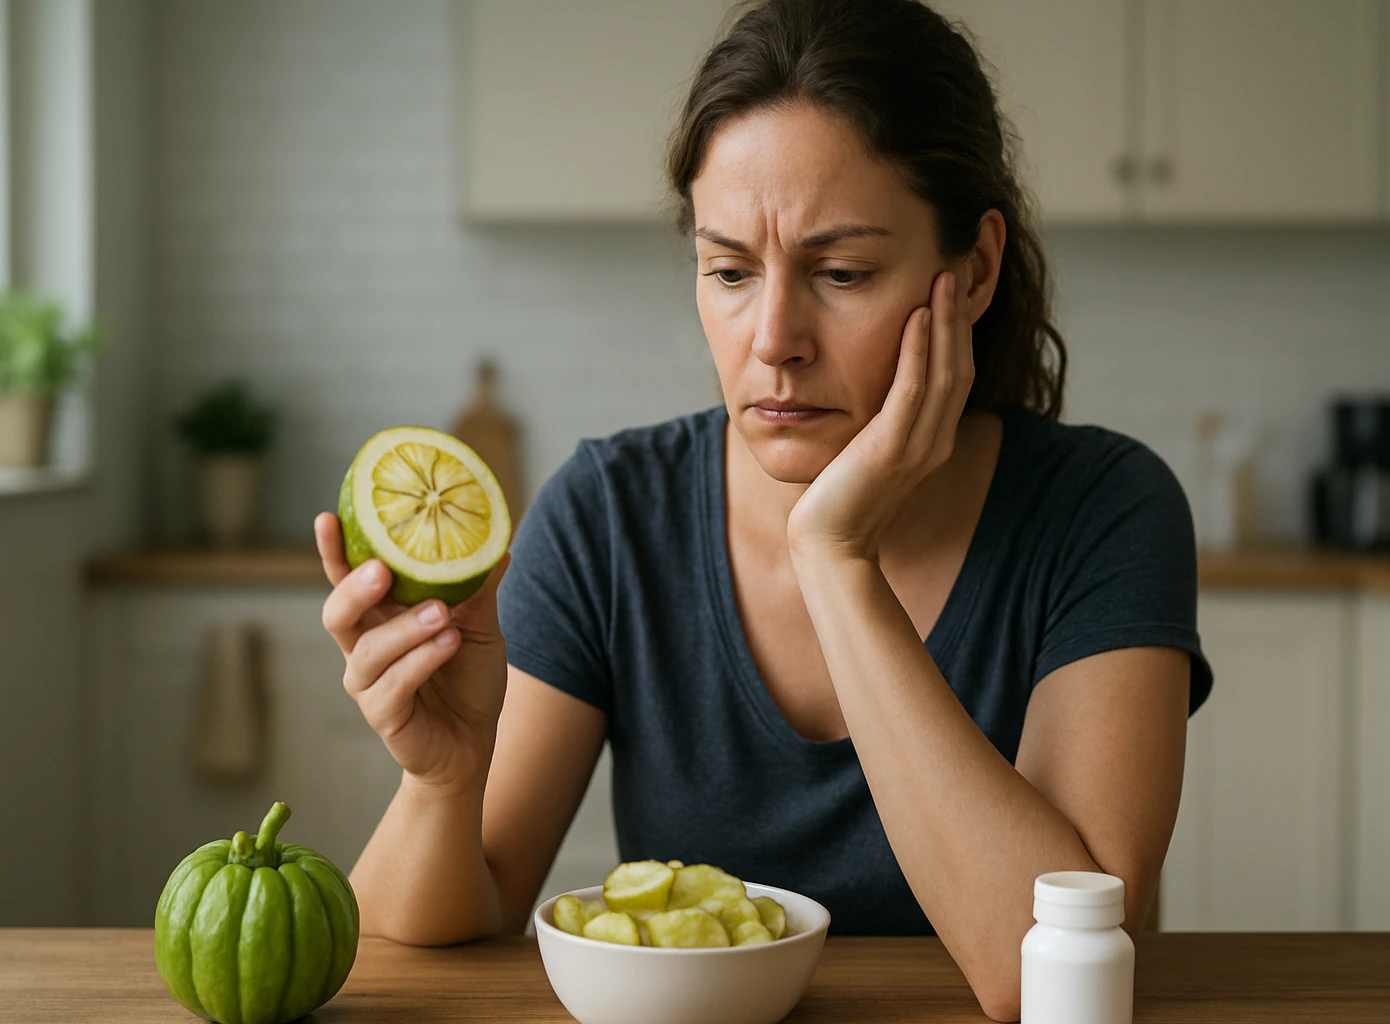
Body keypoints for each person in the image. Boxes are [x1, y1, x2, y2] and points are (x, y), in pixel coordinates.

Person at [314, 0, 1212, 1018]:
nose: (774, 337)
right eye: (731, 270)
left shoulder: (1103, 510)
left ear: (973, 272)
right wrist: (441, 778)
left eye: (842, 272)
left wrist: (837, 559)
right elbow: (435, 932)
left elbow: (1040, 971)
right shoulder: (609, 514)